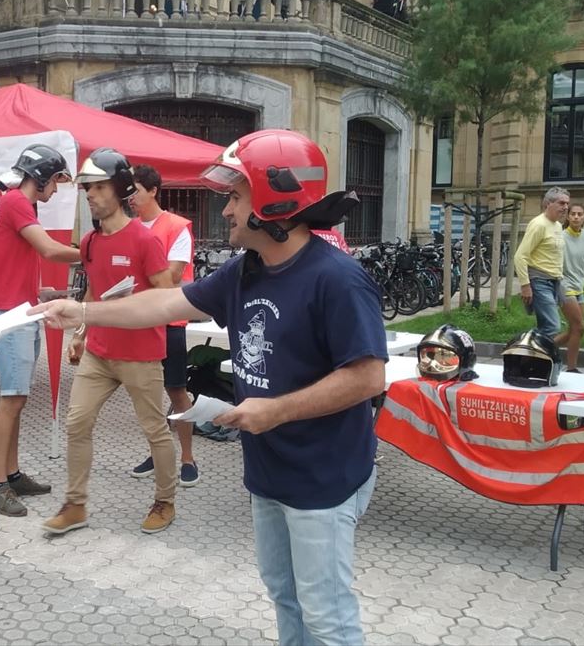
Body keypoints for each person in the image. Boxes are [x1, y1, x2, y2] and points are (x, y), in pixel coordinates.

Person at [34, 130, 388, 644]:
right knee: (285, 596)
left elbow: (368, 377)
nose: (224, 211)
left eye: (235, 197)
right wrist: (83, 310)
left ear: (275, 200)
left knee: (327, 616)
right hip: (269, 472)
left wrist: (276, 411)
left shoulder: (337, 278)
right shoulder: (246, 271)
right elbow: (165, 304)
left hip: (323, 478)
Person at [41, 148, 179, 536]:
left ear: (120, 190)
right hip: (99, 353)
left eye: (99, 187)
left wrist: (130, 303)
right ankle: (75, 505)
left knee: (154, 430)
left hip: (141, 355)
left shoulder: (145, 241)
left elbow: (166, 296)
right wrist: (80, 335)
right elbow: (91, 295)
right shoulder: (88, 243)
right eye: (87, 188)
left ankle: (165, 500)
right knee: (76, 423)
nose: (91, 195)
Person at [0, 144, 81, 517]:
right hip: (11, 315)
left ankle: (12, 474)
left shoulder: (14, 203)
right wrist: (95, 249)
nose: (55, 190)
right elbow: (50, 251)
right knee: (11, 399)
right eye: (55, 182)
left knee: (17, 398)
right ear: (41, 176)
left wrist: (43, 293)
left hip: (19, 309)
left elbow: (16, 263)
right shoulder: (16, 202)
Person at [126, 164, 201, 487]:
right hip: (142, 320)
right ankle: (157, 453)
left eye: (135, 190)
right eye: (127, 192)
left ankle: (187, 457)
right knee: (148, 394)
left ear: (153, 190)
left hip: (170, 321)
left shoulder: (176, 227)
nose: (130, 198)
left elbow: (171, 277)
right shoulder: (129, 229)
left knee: (177, 390)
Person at [514, 187, 570, 336]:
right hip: (539, 281)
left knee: (546, 326)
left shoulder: (558, 225)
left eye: (567, 204)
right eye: (561, 203)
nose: (565, 207)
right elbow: (520, 256)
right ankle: (539, 355)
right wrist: (525, 286)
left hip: (554, 281)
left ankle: (535, 356)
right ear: (548, 204)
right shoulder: (538, 224)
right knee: (552, 327)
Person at [556, 203, 584, 373]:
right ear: (568, 217)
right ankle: (572, 368)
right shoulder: (560, 236)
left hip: (580, 287)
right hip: (564, 285)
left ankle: (543, 347)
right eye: (573, 214)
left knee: (575, 330)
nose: (576, 217)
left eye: (580, 214)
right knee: (580, 327)